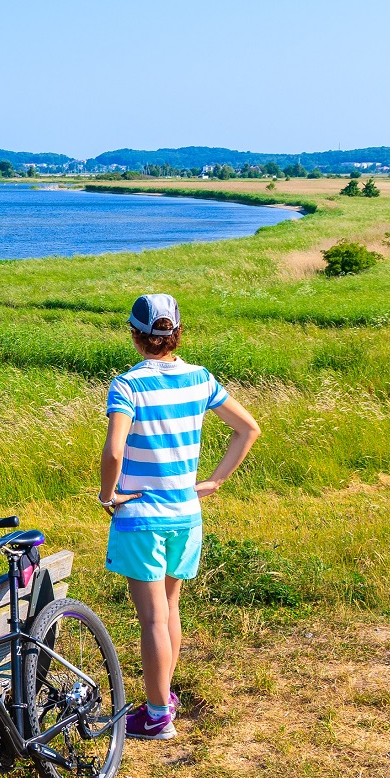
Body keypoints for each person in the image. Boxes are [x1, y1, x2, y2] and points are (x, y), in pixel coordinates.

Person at [97, 293, 261, 740]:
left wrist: (108, 495)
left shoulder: (127, 385)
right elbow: (248, 429)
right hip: (187, 514)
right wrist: (216, 481)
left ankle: (155, 717)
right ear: (177, 333)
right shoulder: (201, 379)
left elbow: (114, 451)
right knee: (170, 610)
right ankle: (163, 699)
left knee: (151, 619)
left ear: (135, 336)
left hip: (142, 518)